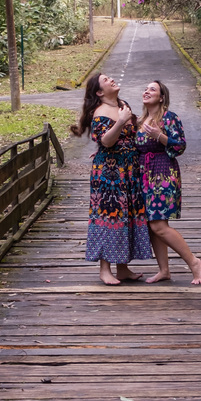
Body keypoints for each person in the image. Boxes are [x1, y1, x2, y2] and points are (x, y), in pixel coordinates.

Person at [71, 73, 152, 285]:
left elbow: (127, 135)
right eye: (106, 80)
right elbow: (106, 141)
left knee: (126, 215)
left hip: (129, 169)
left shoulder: (122, 104)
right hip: (109, 173)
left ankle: (122, 268)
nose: (112, 80)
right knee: (109, 215)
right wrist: (122, 121)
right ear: (99, 92)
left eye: (110, 78)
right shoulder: (100, 111)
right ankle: (104, 270)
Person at [136, 80, 201, 285]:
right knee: (152, 224)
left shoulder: (169, 118)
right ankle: (164, 270)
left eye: (152, 89)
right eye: (146, 89)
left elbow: (181, 146)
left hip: (163, 173)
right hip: (143, 175)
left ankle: (193, 262)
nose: (147, 91)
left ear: (162, 97)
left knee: (158, 224)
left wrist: (161, 137)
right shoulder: (141, 120)